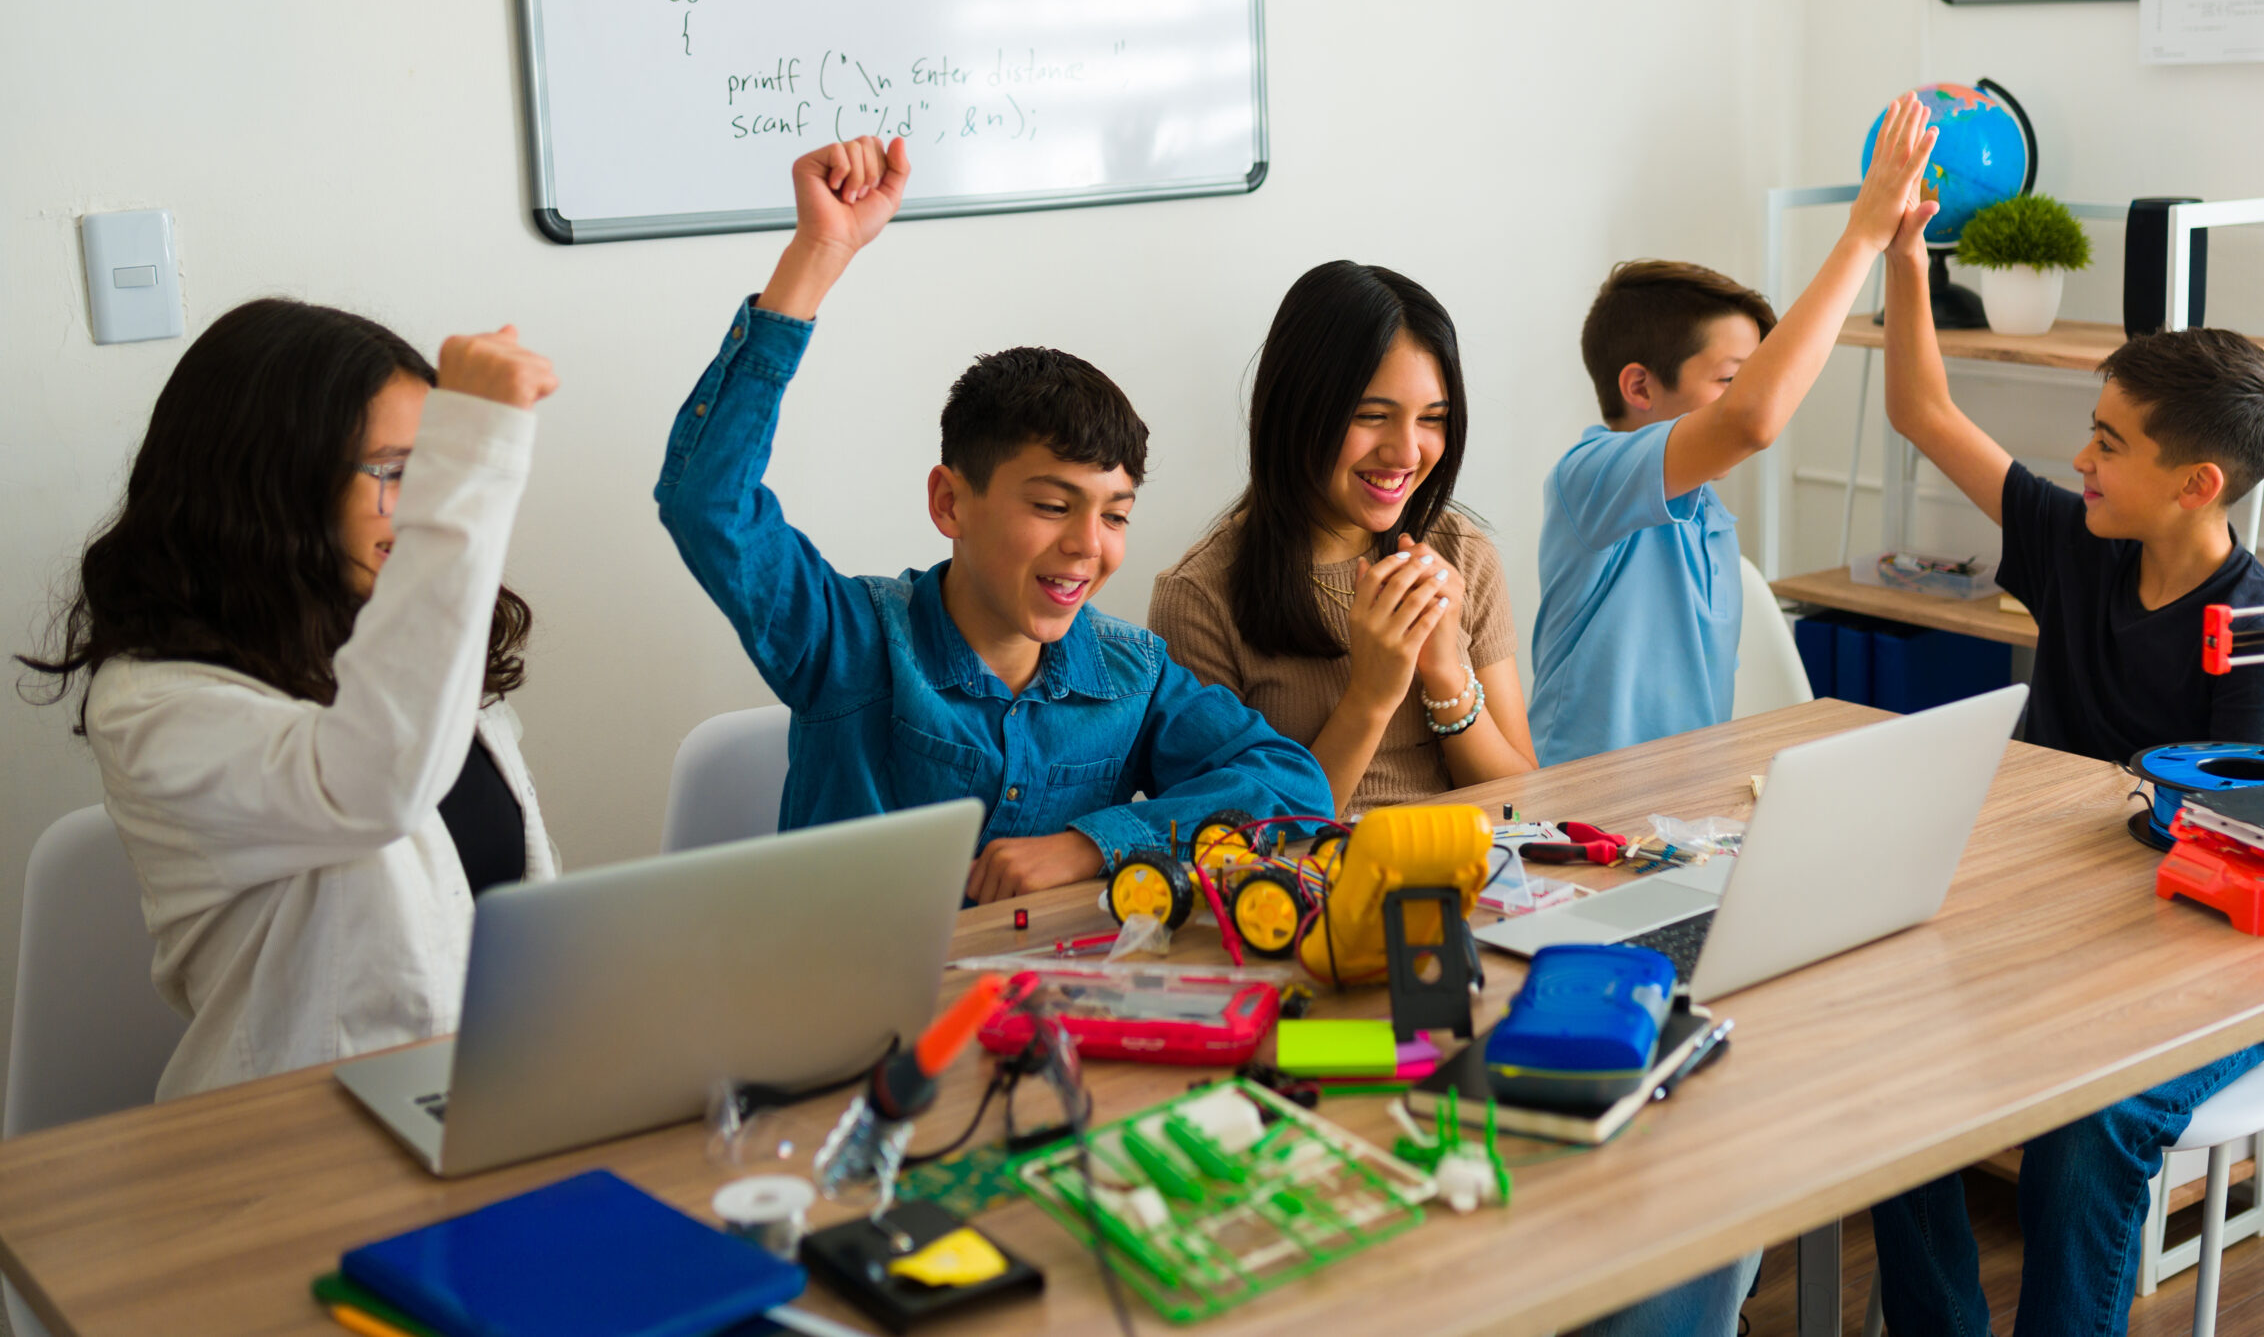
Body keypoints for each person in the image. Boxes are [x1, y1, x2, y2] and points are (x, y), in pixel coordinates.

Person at [655, 138, 1333, 903]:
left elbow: (1289, 781)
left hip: (1044, 1010)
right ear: (950, 502)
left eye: (1115, 514)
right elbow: (707, 501)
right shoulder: (852, 644)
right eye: (1051, 506)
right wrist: (817, 255)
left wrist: (1092, 843)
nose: (1086, 545)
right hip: (857, 1013)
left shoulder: (1128, 675)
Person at [1870, 190, 2264, 1335]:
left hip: (2202, 970)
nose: (2078, 457)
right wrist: (1905, 254)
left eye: (2108, 443)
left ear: (2195, 483)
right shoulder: (2078, 541)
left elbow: (2229, 877)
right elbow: (1923, 409)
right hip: (2046, 935)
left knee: (2088, 1134)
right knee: (1885, 1074)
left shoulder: (2260, 640)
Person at [17, 301, 561, 1099]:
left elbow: (524, 930)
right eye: (398, 471)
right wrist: (475, 453)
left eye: (432, 468)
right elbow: (374, 785)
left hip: (483, 1109)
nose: (422, 505)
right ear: (273, 486)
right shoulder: (148, 707)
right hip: (298, 1147)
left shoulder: (403, 645)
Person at [1530, 91, 1937, 768]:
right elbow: (1754, 419)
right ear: (1639, 386)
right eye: (1729, 377)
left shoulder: (1709, 519)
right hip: (1581, 823)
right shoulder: (1590, 476)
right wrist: (1859, 235)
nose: (1745, 397)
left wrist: (1903, 258)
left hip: (1683, 820)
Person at [1150, 261, 1535, 817]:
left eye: (1432, 418)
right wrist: (1370, 697)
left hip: (1472, 876)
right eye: (1372, 415)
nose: (1406, 453)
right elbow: (1222, 843)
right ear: (1298, 411)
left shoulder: (1460, 554)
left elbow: (1525, 806)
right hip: (1306, 892)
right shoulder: (1199, 597)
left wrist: (1446, 673)